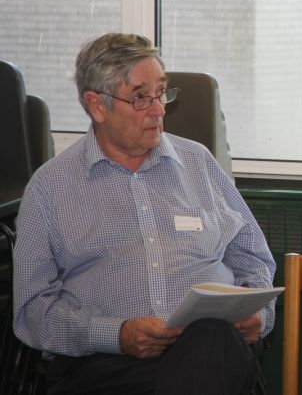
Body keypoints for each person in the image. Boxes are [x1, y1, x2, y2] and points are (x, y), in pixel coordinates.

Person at [13, 33, 277, 395]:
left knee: (212, 336)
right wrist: (116, 334)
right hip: (106, 368)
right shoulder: (50, 188)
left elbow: (254, 259)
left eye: (162, 92)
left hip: (212, 354)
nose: (158, 110)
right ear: (97, 105)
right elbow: (31, 311)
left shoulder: (199, 163)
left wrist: (259, 315)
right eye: (140, 97)